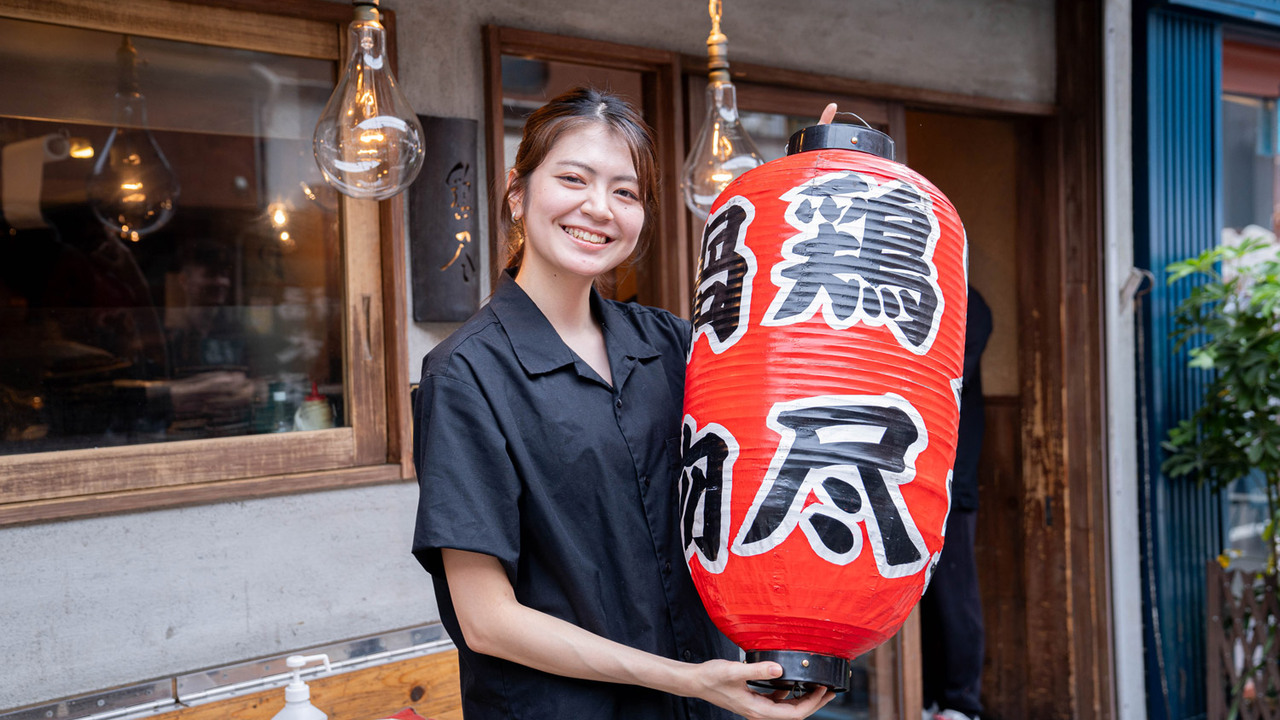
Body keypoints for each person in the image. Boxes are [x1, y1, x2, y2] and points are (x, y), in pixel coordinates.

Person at [411, 87, 838, 720]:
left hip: (710, 704)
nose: (598, 208)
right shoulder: (467, 373)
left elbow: (786, 373)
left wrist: (818, 189)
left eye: (625, 191)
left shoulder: (668, 342)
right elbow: (487, 622)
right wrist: (684, 679)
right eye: (573, 178)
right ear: (517, 190)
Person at [920, 286, 992, 720]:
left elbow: (946, 370)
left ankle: (961, 704)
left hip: (949, 474)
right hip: (903, 469)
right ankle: (928, 698)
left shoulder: (967, 301)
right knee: (914, 592)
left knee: (954, 594)